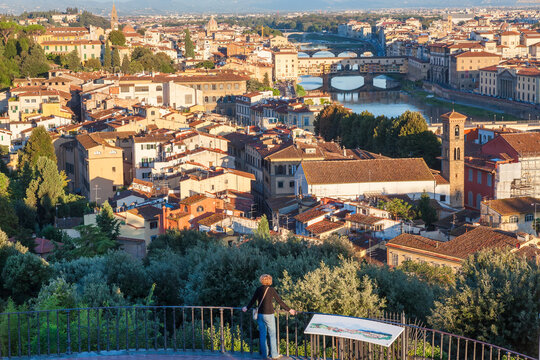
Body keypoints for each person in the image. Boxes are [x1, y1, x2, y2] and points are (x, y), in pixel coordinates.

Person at [242, 274, 296, 359]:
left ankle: (265, 355)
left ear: (262, 280)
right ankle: (274, 355)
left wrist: (246, 307)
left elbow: (253, 300)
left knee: (263, 335)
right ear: (270, 281)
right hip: (269, 315)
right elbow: (280, 302)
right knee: (272, 334)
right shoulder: (272, 290)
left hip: (260, 315)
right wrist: (289, 310)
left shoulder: (258, 289)